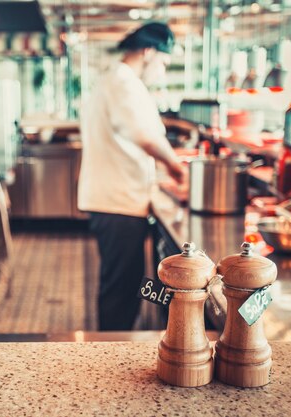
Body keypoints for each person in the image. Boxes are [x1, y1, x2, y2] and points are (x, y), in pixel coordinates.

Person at [78, 22, 186, 331]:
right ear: (149, 52)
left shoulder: (115, 79)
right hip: (117, 202)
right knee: (121, 287)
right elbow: (146, 137)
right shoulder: (124, 83)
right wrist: (178, 169)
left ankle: (117, 343)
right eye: (164, 63)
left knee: (128, 282)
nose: (162, 71)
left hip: (118, 199)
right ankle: (109, 355)